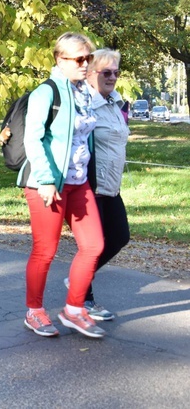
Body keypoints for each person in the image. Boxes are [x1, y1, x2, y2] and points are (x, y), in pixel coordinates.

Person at [20, 32, 106, 339]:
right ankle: (34, 311)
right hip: (49, 183)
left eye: (88, 59)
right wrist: (44, 179)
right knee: (45, 250)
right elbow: (33, 138)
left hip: (78, 182)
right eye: (79, 59)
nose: (85, 65)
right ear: (60, 59)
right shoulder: (46, 92)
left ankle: (73, 309)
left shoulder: (84, 92)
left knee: (94, 245)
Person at [76, 48, 131, 321]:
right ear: (90, 74)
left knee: (120, 236)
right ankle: (84, 299)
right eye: (106, 72)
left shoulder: (115, 103)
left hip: (111, 186)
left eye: (116, 72)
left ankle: (78, 279)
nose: (112, 77)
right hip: (89, 186)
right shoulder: (84, 104)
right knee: (93, 245)